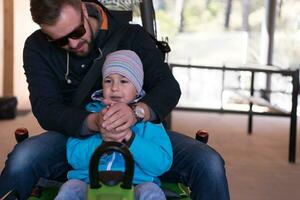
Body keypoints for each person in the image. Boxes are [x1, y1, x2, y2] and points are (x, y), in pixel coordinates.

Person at [0, 0, 230, 200]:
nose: (72, 44)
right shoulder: (37, 47)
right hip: (75, 134)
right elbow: (45, 107)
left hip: (141, 130)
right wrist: (93, 122)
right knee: (22, 159)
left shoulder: (131, 36)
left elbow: (168, 88)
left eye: (77, 31)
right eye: (60, 41)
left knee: (208, 163)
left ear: (83, 8)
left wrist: (136, 113)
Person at [55, 50, 172, 200]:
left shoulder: (149, 122)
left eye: (124, 81)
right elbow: (75, 158)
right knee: (70, 188)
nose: (115, 88)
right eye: (108, 81)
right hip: (90, 181)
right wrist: (104, 142)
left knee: (151, 192)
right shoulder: (90, 114)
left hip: (136, 183)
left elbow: (161, 164)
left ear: (137, 88)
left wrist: (130, 139)